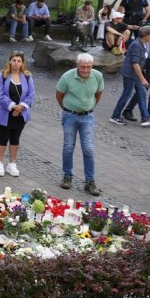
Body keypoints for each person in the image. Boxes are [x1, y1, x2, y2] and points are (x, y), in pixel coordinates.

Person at [55, 54, 105, 196]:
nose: (86, 70)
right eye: (83, 67)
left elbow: (98, 94)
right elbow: (59, 95)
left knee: (88, 149)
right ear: (77, 65)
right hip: (70, 115)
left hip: (88, 116)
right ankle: (67, 176)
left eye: (89, 67)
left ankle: (90, 181)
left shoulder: (97, 76)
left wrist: (89, 107)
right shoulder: (67, 76)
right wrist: (67, 108)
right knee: (68, 147)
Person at [0, 51, 35, 177]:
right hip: (5, 112)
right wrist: (13, 106)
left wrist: (20, 107)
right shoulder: (2, 76)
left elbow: (31, 94)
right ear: (10, 61)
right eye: (14, 60)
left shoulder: (27, 76)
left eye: (19, 61)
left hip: (21, 113)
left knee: (15, 138)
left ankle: (12, 164)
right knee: (3, 137)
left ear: (22, 63)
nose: (16, 63)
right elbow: (0, 95)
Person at [110, 26, 150, 127]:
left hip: (135, 74)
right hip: (130, 74)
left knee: (142, 93)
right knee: (127, 94)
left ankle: (145, 118)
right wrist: (143, 79)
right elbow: (135, 63)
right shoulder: (137, 45)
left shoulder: (142, 44)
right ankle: (115, 116)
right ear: (145, 35)